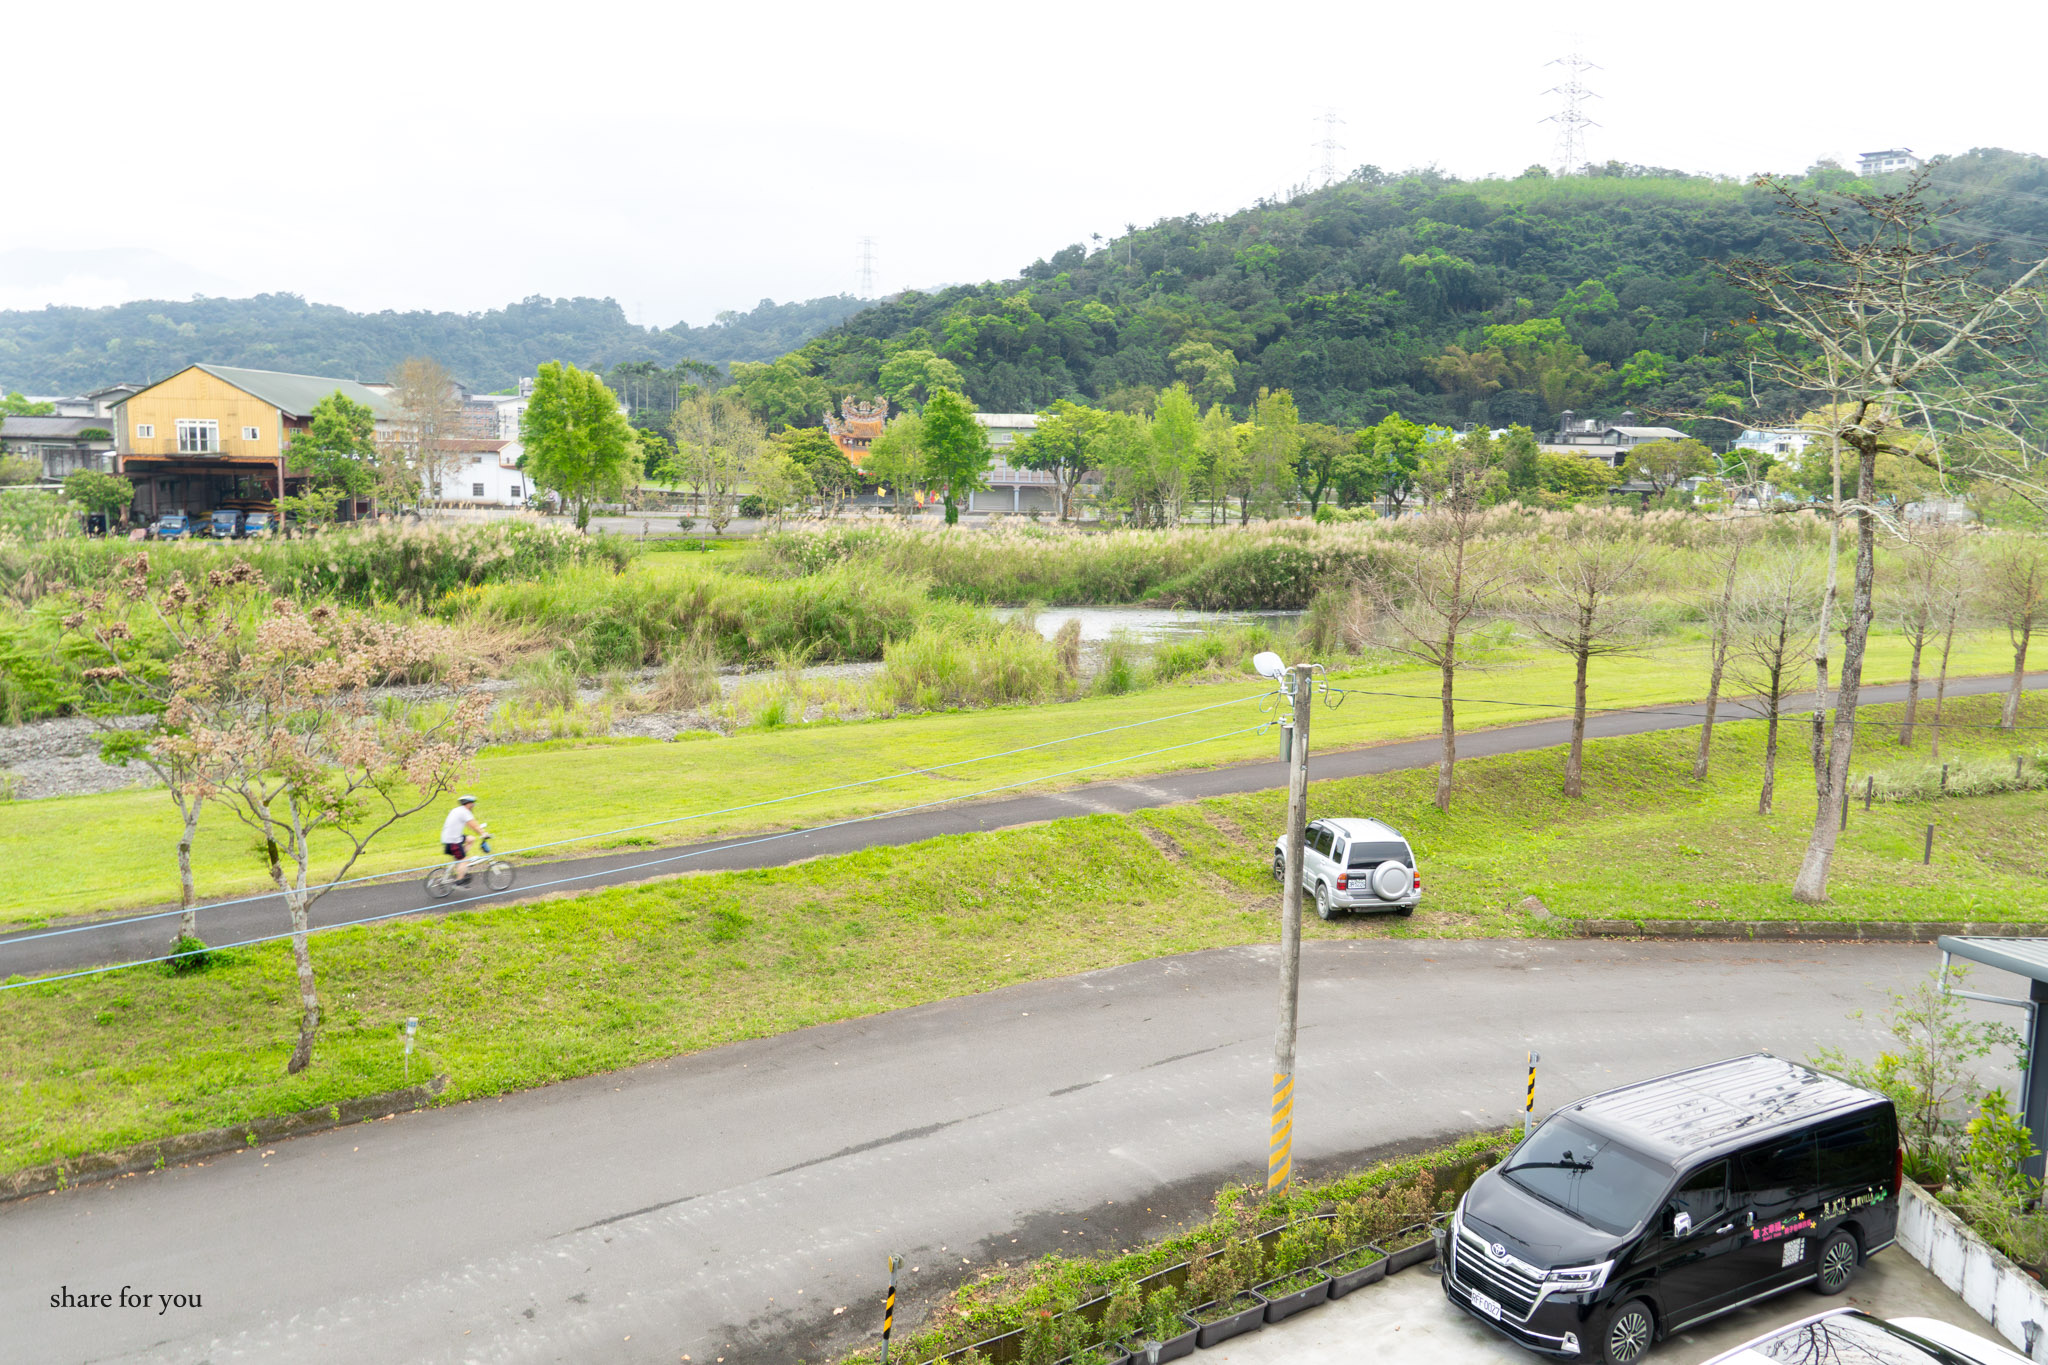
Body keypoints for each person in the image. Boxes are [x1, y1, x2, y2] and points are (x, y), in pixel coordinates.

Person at [440, 795, 483, 886]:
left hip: (451, 837)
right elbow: (473, 825)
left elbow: (469, 825)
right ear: (467, 804)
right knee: (464, 860)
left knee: (471, 839)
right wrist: (483, 834)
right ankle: (458, 882)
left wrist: (479, 830)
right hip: (453, 841)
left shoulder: (458, 810)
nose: (473, 805)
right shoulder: (464, 812)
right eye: (472, 803)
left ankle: (459, 860)